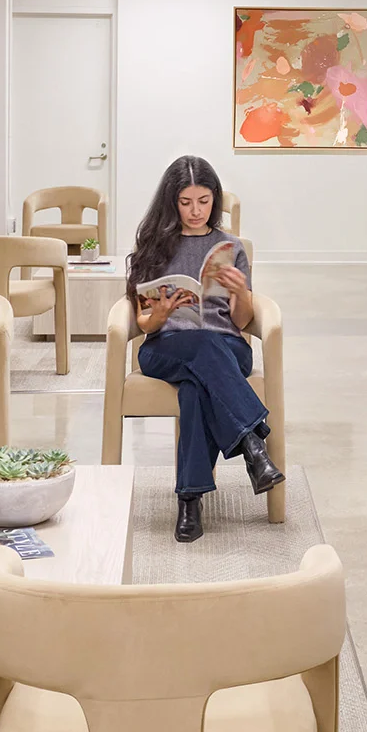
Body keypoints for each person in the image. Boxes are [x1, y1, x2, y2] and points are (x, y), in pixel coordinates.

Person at [126, 155, 285, 543]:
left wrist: (238, 292)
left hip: (227, 347)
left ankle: (190, 500)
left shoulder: (230, 247)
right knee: (200, 350)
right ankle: (252, 444)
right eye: (185, 202)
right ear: (171, 201)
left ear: (215, 200)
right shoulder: (153, 246)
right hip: (165, 347)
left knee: (198, 386)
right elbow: (143, 323)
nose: (195, 211)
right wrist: (160, 312)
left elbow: (243, 321)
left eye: (203, 201)